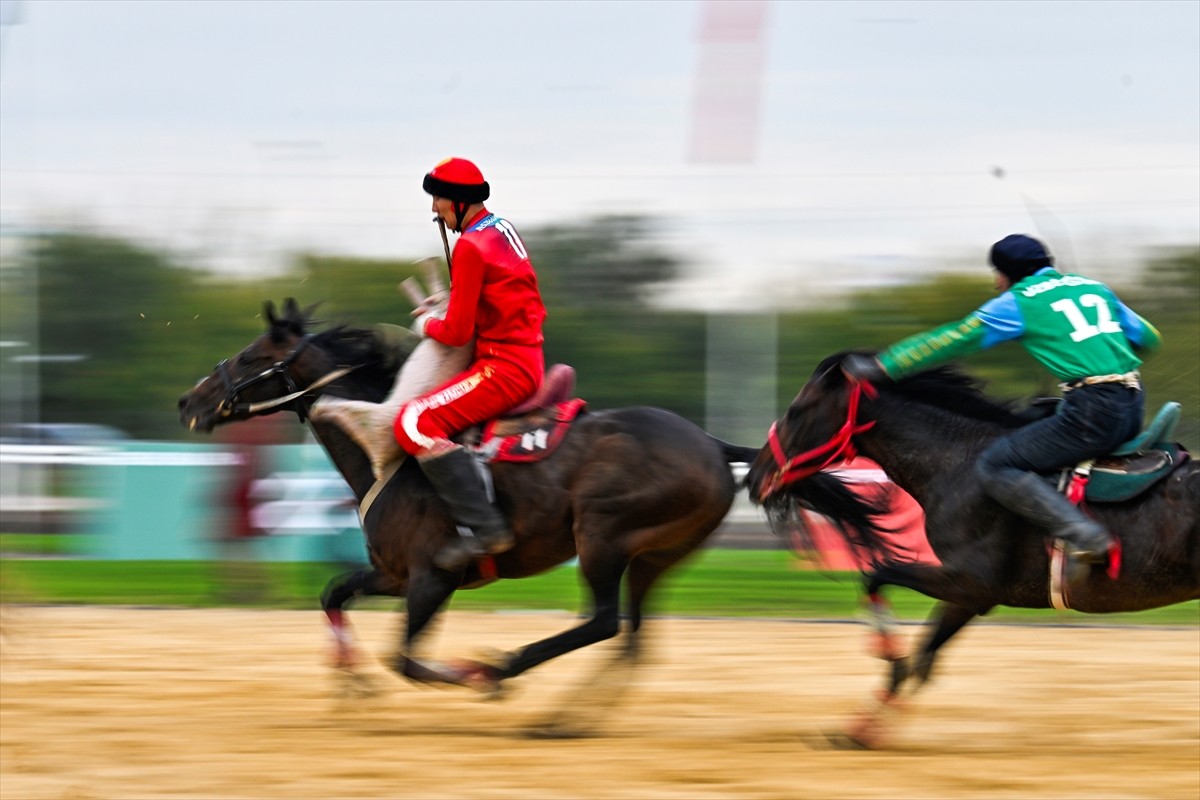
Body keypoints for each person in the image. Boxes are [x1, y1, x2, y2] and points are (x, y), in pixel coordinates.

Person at [842, 234, 1161, 580]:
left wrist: (884, 366)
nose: (996, 284)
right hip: (1131, 402)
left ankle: (1086, 537)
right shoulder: (1094, 288)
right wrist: (1103, 357)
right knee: (1033, 416)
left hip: (1093, 411)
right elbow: (1148, 337)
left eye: (998, 274)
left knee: (997, 463)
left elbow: (952, 339)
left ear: (1010, 273)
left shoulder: (1017, 302)